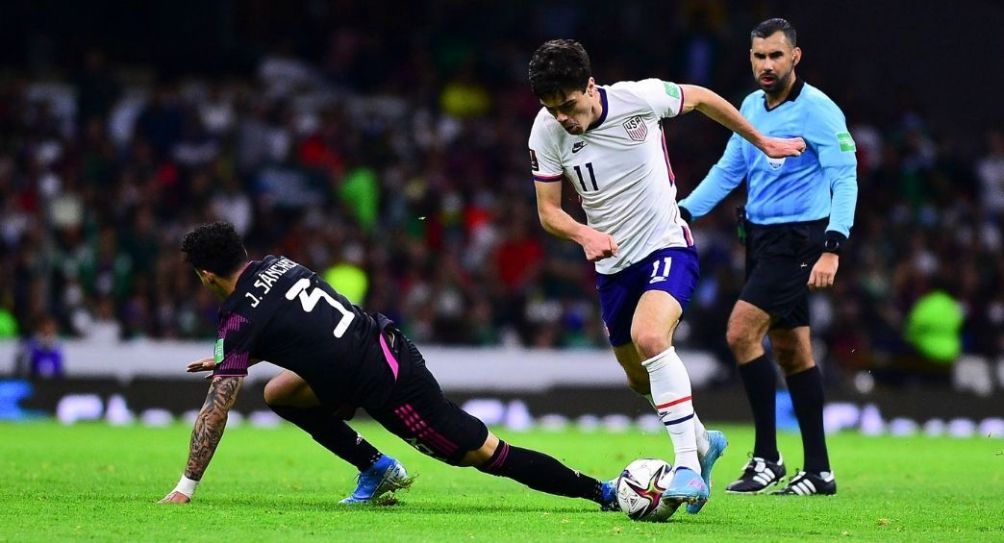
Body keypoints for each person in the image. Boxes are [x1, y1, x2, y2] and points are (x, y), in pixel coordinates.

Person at [526, 39, 806, 513]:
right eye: (552, 109)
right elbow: (549, 213)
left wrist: (761, 141)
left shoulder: (640, 99)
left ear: (590, 86)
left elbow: (701, 98)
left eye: (569, 105)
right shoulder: (545, 132)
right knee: (640, 379)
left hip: (665, 244)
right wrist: (582, 235)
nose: (563, 117)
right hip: (612, 266)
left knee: (651, 338)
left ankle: (688, 470)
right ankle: (701, 441)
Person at [159, 222, 617, 510]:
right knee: (279, 392)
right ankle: (376, 467)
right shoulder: (279, 265)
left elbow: (215, 411)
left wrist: (187, 486)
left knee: (481, 454)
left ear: (206, 276)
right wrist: (233, 356)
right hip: (370, 349)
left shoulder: (238, 317)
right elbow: (295, 325)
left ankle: (601, 491)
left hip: (390, 382)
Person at [678, 18, 858, 496]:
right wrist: (684, 212)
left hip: (801, 241)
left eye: (776, 55)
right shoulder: (751, 107)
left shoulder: (819, 111)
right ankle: (819, 471)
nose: (766, 64)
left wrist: (832, 246)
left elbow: (845, 177)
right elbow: (727, 170)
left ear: (795, 57)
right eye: (759, 56)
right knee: (793, 351)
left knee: (740, 332)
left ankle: (767, 457)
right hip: (759, 241)